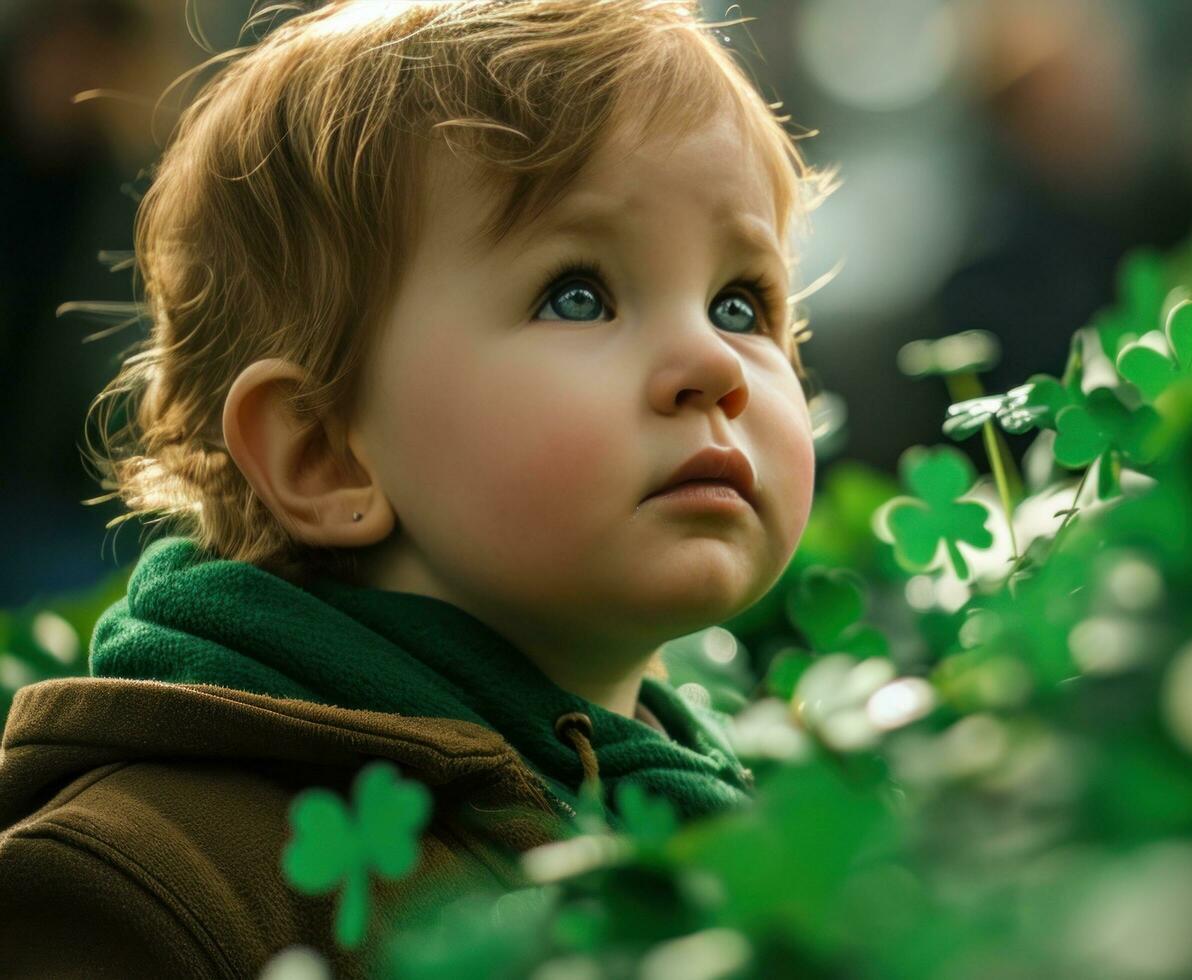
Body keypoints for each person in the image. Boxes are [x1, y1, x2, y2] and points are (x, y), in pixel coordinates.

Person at [0, 1, 838, 975]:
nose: (714, 362)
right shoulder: (138, 887)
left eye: (741, 302)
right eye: (579, 292)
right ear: (326, 455)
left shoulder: (759, 805)